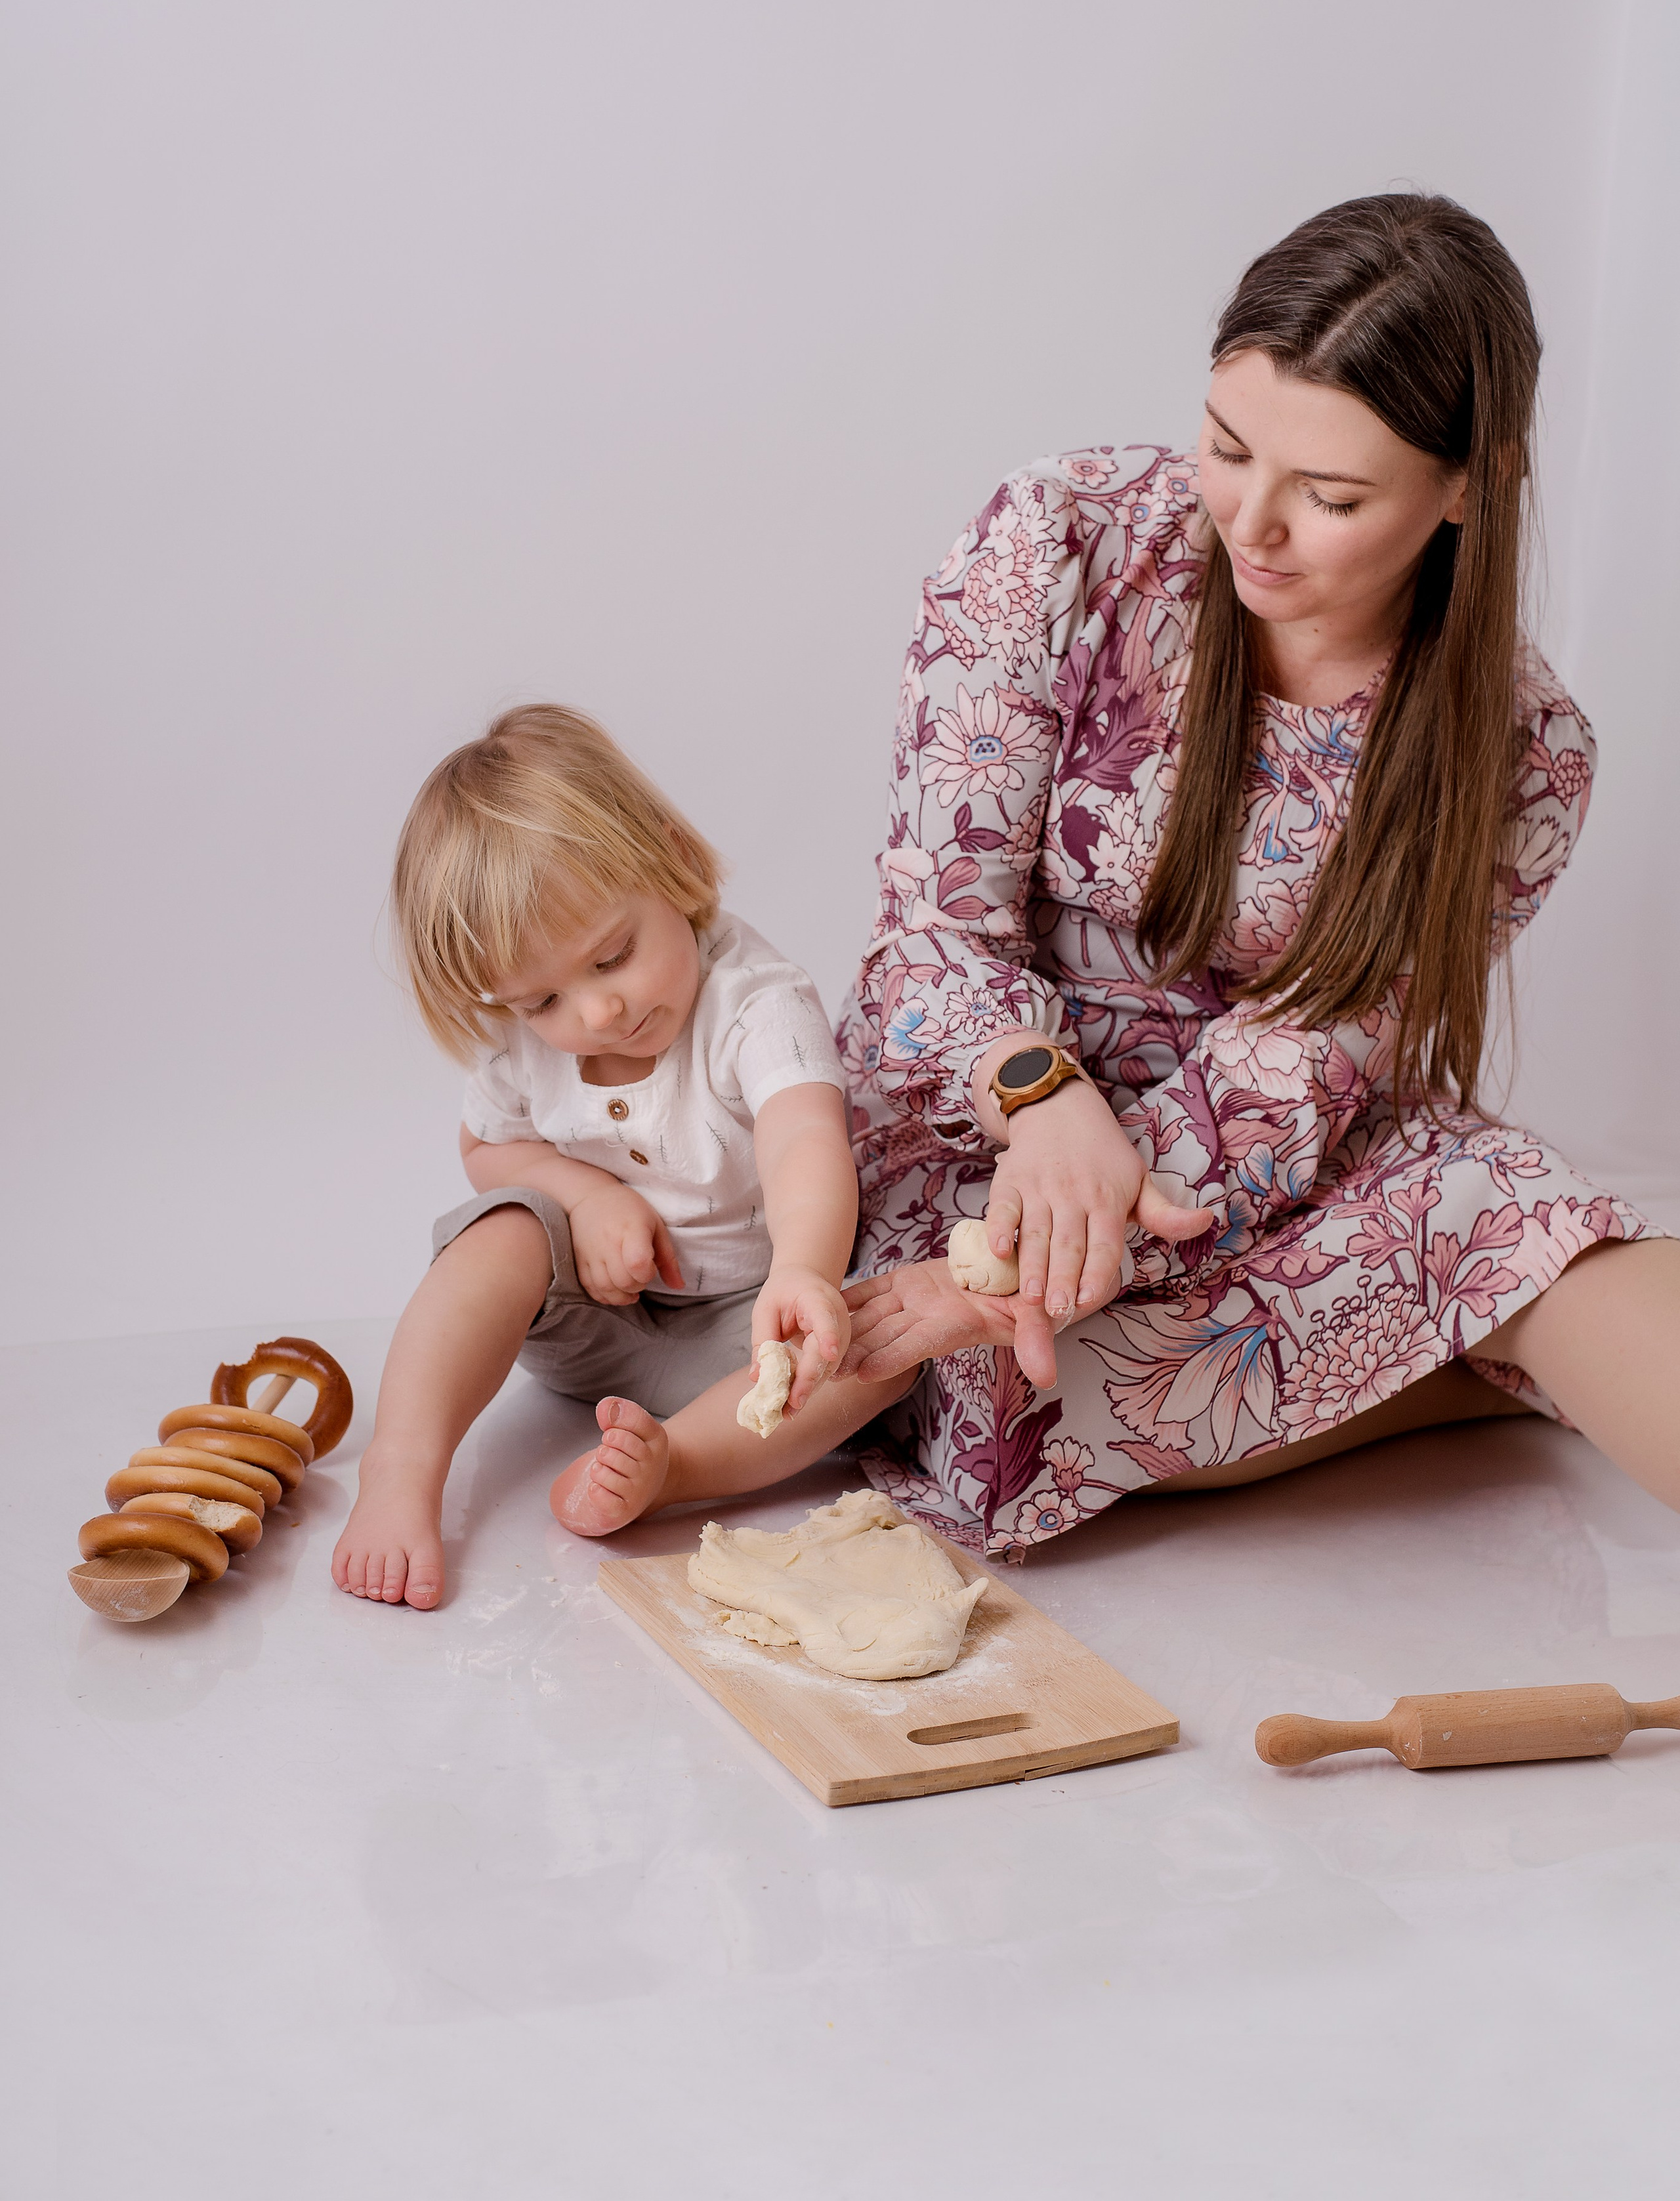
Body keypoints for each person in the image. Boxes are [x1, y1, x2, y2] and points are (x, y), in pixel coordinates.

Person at [824, 190, 1678, 1557]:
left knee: (1521, 1213)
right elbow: (928, 936)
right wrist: (1039, 1123)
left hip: (1252, 1157)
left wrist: (1102, 1218)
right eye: (1225, 448)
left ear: (1467, 486)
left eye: (1330, 497)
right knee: (986, 1380)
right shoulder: (1061, 537)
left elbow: (1298, 1070)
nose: (1253, 525)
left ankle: (1484, 1340)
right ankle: (1446, 1369)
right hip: (982, 1117)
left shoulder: (1521, 750)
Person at [333, 704, 875, 1608]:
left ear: (669, 861)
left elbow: (803, 1137)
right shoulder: (524, 1043)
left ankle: (676, 1466)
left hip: (750, 1338)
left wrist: (807, 1271)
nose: (593, 1015)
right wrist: (580, 1195)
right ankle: (399, 1470)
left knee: (879, 1348)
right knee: (503, 1231)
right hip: (591, 1330)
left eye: (613, 956)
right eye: (541, 999)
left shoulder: (753, 1002)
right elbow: (485, 1147)